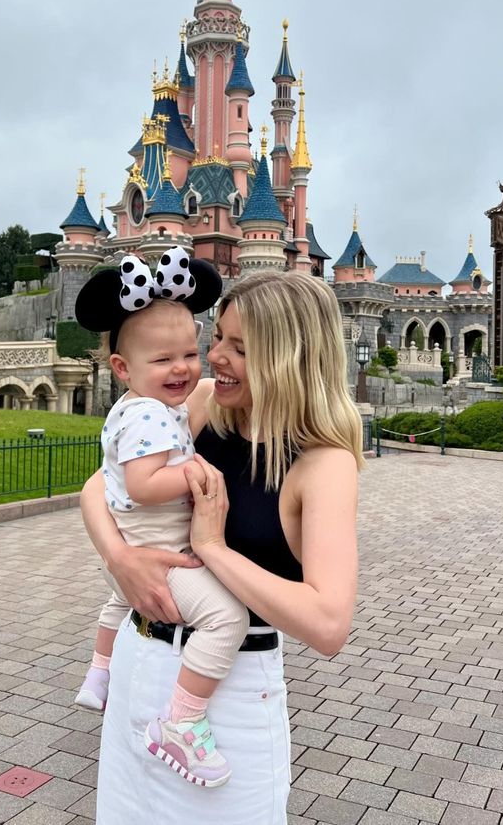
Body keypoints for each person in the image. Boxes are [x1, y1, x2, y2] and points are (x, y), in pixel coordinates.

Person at [80, 270, 363, 823]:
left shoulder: (323, 463)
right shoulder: (209, 405)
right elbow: (100, 485)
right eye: (218, 339)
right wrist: (120, 559)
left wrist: (213, 547)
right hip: (139, 662)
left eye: (239, 346)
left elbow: (329, 623)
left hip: (225, 700)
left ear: (289, 356)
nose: (213, 359)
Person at [74, 246, 247, 787]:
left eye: (191, 352)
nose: (188, 367)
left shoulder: (153, 405)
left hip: (140, 549)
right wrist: (195, 474)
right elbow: (136, 486)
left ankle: (98, 673)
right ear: (123, 368)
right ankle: (182, 720)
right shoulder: (154, 412)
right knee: (226, 620)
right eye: (164, 360)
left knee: (116, 598)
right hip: (163, 552)